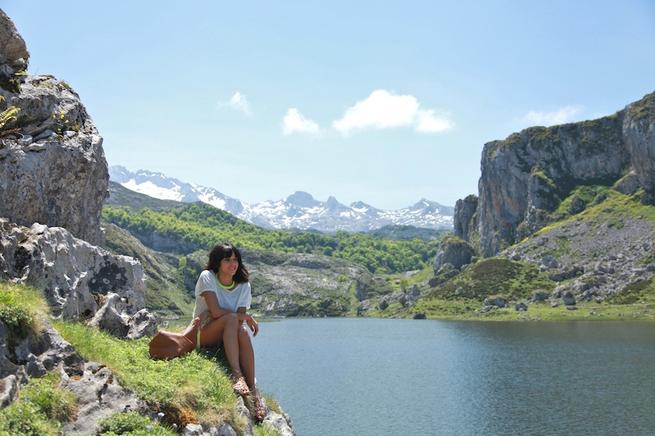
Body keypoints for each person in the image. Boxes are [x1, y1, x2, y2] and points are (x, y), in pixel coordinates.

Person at [194, 243, 266, 422]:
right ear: (217, 262)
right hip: (203, 332)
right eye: (227, 260)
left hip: (230, 334)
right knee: (233, 320)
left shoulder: (243, 285)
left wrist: (243, 317)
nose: (233, 264)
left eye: (235, 260)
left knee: (242, 331)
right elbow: (215, 312)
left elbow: (238, 320)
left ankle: (253, 392)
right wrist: (246, 317)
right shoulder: (207, 277)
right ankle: (236, 374)